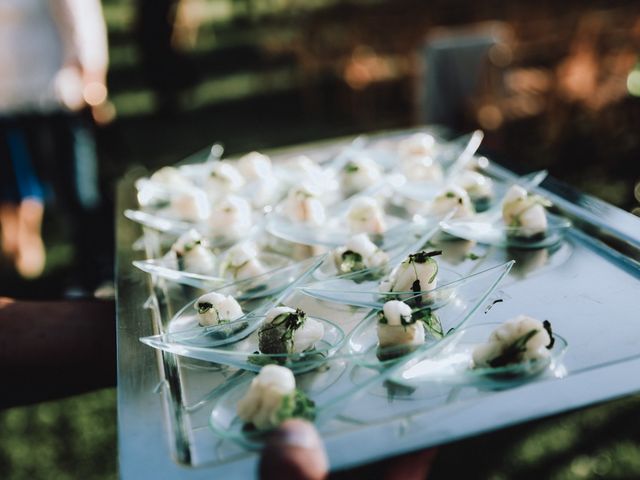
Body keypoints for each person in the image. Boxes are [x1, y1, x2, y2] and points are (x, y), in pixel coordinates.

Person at [0, 0, 111, 287]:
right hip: (7, 102)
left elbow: (82, 18)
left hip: (56, 97)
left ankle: (94, 273)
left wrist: (93, 78)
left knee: (75, 193)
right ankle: (22, 271)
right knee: (17, 191)